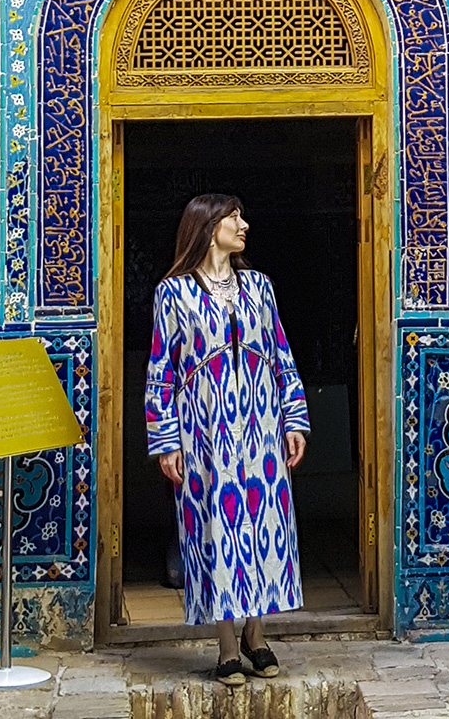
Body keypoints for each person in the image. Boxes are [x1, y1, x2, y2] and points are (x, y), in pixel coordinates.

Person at [145, 193, 309, 686]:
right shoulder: (173, 293)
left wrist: (294, 419)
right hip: (204, 435)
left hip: (261, 430)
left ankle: (256, 636)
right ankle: (225, 646)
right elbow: (160, 372)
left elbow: (282, 356)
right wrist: (165, 440)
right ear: (207, 226)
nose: (244, 225)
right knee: (215, 532)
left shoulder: (259, 286)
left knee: (265, 529)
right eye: (233, 218)